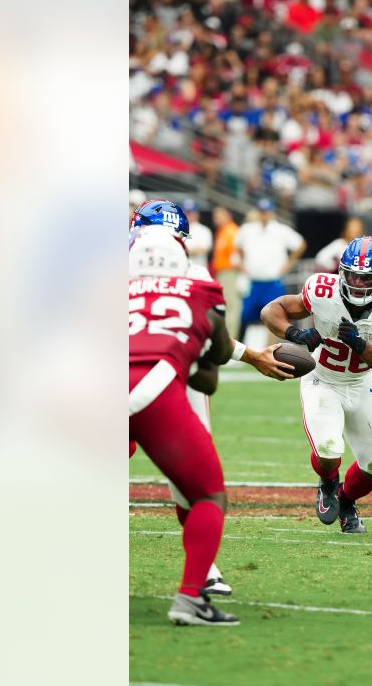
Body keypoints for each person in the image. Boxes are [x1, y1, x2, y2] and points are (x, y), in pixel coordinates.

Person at [128, 200, 295, 599]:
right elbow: (210, 356)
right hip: (169, 378)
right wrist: (246, 355)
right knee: (200, 481)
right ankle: (196, 584)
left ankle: (204, 570)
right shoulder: (197, 277)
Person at [260, 236, 372, 534]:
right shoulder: (321, 290)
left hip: (362, 383)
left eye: (366, 277)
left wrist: (362, 347)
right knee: (329, 448)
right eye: (352, 274)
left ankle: (346, 502)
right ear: (341, 271)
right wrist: (295, 333)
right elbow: (271, 311)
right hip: (323, 379)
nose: (357, 283)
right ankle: (328, 483)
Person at [128, 229, 238, 626]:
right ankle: (191, 597)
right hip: (153, 389)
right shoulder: (201, 292)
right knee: (208, 494)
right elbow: (211, 372)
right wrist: (202, 356)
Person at [234, 198, 305, 348]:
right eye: (262, 212)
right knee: (244, 316)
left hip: (273, 281)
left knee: (275, 316)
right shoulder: (248, 229)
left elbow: (300, 244)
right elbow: (237, 245)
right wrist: (242, 262)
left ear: (271, 213)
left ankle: (270, 348)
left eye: (266, 212)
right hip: (253, 281)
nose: (264, 215)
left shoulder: (280, 230)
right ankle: (239, 348)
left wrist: (288, 264)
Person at [210, 206, 242, 339]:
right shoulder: (222, 231)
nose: (215, 218)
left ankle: (231, 339)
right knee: (225, 305)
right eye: (215, 215)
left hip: (230, 273)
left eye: (219, 215)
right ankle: (226, 338)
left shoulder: (231, 231)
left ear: (228, 215)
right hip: (223, 273)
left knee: (231, 306)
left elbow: (237, 255)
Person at [182, 199, 214, 269]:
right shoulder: (177, 229)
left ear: (197, 214)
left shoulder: (204, 230)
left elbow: (203, 250)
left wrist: (183, 251)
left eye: (190, 212)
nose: (188, 215)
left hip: (198, 269)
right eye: (186, 212)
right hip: (182, 269)